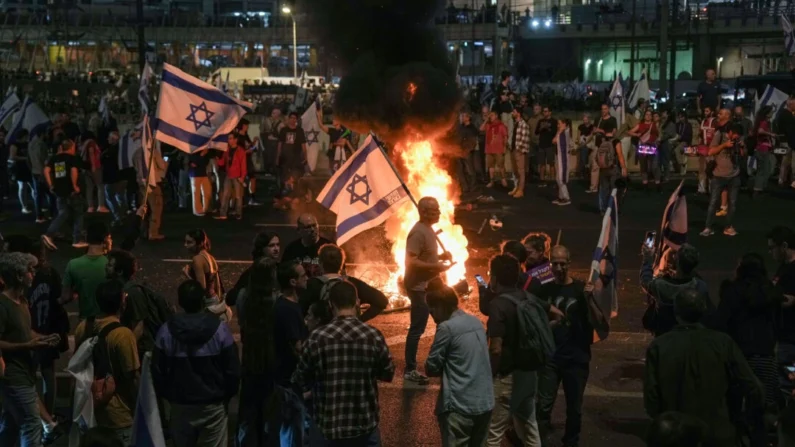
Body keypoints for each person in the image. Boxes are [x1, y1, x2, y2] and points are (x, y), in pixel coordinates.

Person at [643, 288, 763, 447]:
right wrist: (746, 419)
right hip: (718, 433)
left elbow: (651, 398)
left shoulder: (659, 346)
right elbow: (753, 386)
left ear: (676, 311)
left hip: (676, 436)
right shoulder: (723, 342)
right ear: (704, 310)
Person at [291, 280, 395, 445]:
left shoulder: (317, 337)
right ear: (357, 303)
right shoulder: (373, 335)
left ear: (331, 305)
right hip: (364, 426)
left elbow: (300, 377)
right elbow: (388, 373)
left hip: (327, 428)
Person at [532, 246, 605, 447]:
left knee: (574, 408)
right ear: (549, 263)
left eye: (562, 263)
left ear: (569, 263)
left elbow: (599, 322)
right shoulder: (544, 290)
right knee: (543, 407)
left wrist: (590, 299)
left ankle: (571, 442)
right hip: (551, 359)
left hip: (576, 359)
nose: (558, 267)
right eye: (554, 263)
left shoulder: (581, 290)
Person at [152, 279, 240, 447]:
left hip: (180, 405)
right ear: (202, 300)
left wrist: (169, 396)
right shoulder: (219, 329)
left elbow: (158, 371)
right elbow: (232, 370)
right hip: (212, 405)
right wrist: (225, 397)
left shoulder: (166, 331)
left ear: (180, 302)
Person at [714, 253, 781, 447]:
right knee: (759, 411)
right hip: (765, 356)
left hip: (738, 356)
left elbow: (721, 323)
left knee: (733, 407)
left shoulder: (732, 291)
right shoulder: (770, 292)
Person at [484, 254, 544, 447]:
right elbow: (557, 314)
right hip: (529, 374)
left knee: (493, 432)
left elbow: (495, 349)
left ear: (494, 278)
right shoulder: (527, 297)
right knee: (529, 427)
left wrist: (489, 375)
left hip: (506, 378)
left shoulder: (497, 305)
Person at [0, 252, 59, 447]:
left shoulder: (23, 302)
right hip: (13, 376)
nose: (33, 274)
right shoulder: (3, 305)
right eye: (29, 271)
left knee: (11, 424)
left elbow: (26, 332)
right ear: (18, 276)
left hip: (25, 373)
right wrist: (27, 346)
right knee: (31, 424)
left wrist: (43, 338)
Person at [73, 279, 141, 445]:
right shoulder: (123, 335)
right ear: (121, 304)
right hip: (120, 416)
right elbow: (133, 377)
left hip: (90, 411)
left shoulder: (84, 327)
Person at [425, 285, 494, 447]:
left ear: (441, 306)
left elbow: (431, 367)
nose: (431, 315)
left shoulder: (447, 328)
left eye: (432, 310)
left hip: (460, 406)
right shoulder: (475, 322)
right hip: (485, 403)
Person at [403, 197, 453, 384]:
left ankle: (442, 360)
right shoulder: (418, 233)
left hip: (431, 284)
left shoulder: (428, 229)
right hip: (418, 288)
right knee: (417, 328)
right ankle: (410, 369)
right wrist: (437, 266)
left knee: (444, 320)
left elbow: (426, 255)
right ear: (423, 211)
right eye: (434, 210)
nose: (438, 212)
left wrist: (440, 256)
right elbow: (411, 261)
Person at [237, 259, 278, 447]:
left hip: (251, 355)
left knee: (249, 407)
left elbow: (241, 322)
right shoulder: (277, 300)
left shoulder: (244, 296)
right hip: (271, 357)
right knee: (271, 409)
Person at [107, 249, 171, 359]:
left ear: (120, 271)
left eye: (110, 265)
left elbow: (139, 327)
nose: (106, 267)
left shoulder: (133, 292)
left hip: (143, 350)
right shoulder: (123, 289)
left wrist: (127, 349)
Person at [300, 243, 388, 323]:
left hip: (322, 335)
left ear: (320, 263)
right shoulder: (352, 283)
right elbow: (382, 301)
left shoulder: (311, 284)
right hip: (350, 334)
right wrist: (360, 320)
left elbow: (299, 311)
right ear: (342, 263)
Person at [640, 243, 710, 337]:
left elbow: (645, 280)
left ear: (676, 261)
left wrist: (647, 259)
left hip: (664, 332)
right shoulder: (700, 286)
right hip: (689, 334)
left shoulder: (660, 285)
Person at [58, 222, 111, 319]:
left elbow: (65, 297)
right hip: (108, 321)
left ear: (87, 238)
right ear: (105, 239)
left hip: (86, 321)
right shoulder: (111, 264)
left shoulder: (73, 264)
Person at [699, 123, 744, 237]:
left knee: (732, 204)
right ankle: (708, 227)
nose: (737, 138)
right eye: (735, 135)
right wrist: (724, 145)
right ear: (730, 133)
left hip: (734, 176)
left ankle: (728, 227)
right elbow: (710, 152)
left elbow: (743, 155)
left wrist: (742, 147)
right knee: (713, 202)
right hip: (718, 176)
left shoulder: (739, 140)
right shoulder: (720, 136)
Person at [42, 138, 87, 249]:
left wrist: (51, 184)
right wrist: (75, 185)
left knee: (63, 213)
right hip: (71, 191)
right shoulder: (73, 158)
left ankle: (49, 234)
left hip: (59, 190)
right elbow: (73, 171)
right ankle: (77, 239)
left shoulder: (54, 158)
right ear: (72, 147)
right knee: (78, 214)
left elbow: (46, 170)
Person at [768, 226, 795, 400]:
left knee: (786, 384)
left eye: (772, 248)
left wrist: (768, 295)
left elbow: (790, 300)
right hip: (785, 337)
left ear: (784, 246)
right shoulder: (784, 268)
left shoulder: (793, 270)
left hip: (790, 339)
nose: (770, 252)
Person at [273, 260, 309, 386]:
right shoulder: (287, 309)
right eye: (303, 276)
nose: (307, 278)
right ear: (293, 282)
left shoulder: (292, 305)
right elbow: (297, 347)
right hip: (288, 378)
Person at [226, 231, 280, 307]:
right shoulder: (252, 272)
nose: (276, 249)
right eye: (271, 245)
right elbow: (230, 299)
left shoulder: (281, 269)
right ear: (262, 248)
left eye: (278, 245)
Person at [281, 213, 332, 279]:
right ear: (299, 230)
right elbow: (283, 274)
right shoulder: (291, 249)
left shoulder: (329, 247)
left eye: (314, 225)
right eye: (308, 227)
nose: (312, 230)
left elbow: (340, 274)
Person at [182, 229, 223, 305]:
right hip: (214, 299)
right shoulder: (211, 257)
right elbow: (217, 284)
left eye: (189, 242)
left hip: (207, 302)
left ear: (200, 243)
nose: (185, 245)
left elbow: (201, 288)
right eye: (185, 242)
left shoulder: (197, 259)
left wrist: (187, 274)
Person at [215, 132, 248, 220]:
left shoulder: (240, 151)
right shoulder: (227, 150)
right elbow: (223, 162)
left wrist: (242, 177)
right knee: (226, 194)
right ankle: (223, 213)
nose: (229, 140)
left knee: (238, 196)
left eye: (230, 138)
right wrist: (218, 160)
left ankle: (238, 213)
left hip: (237, 176)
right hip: (229, 175)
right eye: (228, 138)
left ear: (235, 140)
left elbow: (243, 165)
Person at [276, 111, 308, 201]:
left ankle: (295, 197)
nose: (293, 120)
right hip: (285, 158)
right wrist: (277, 157)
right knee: (284, 177)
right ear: (289, 119)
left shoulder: (299, 130)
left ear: (296, 120)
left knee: (295, 177)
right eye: (291, 118)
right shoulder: (283, 130)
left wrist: (305, 156)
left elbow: (303, 145)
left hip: (296, 158)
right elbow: (280, 145)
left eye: (295, 118)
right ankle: (283, 197)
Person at [628, 109, 661, 191]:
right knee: (644, 167)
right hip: (643, 147)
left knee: (654, 167)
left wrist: (658, 140)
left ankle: (658, 184)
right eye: (647, 114)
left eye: (650, 114)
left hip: (653, 146)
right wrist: (637, 134)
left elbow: (660, 134)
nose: (648, 116)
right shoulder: (640, 125)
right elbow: (630, 132)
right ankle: (645, 185)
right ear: (644, 116)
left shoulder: (655, 124)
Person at [589, 104, 618, 193]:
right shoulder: (598, 119)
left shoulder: (612, 119)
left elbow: (614, 132)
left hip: (607, 146)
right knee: (595, 165)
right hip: (598, 145)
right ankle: (593, 187)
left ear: (608, 109)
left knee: (607, 165)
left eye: (605, 109)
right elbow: (594, 130)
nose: (603, 111)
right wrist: (596, 130)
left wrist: (602, 131)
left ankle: (608, 186)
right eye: (602, 109)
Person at [8, 129, 34, 215]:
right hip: (20, 167)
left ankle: (36, 204)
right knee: (23, 186)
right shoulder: (15, 145)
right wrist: (25, 158)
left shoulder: (27, 143)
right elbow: (12, 157)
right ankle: (24, 206)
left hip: (28, 167)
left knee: (33, 187)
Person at [752, 105, 776, 196]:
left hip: (761, 149)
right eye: (771, 112)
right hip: (763, 149)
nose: (772, 113)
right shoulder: (764, 122)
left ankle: (759, 188)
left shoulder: (761, 121)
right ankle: (758, 189)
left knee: (763, 169)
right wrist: (771, 134)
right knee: (763, 169)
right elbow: (760, 131)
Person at [481, 111, 508, 188]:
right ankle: (491, 181)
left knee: (501, 166)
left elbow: (505, 136)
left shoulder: (501, 125)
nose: (490, 116)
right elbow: (481, 128)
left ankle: (503, 179)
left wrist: (504, 148)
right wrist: (486, 120)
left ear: (496, 116)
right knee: (490, 166)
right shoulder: (488, 125)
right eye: (490, 115)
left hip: (499, 149)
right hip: (489, 149)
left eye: (492, 115)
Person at [457, 111, 480, 193]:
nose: (462, 118)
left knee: (470, 170)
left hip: (466, 152)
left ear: (468, 118)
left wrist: (467, 150)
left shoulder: (472, 128)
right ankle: (465, 187)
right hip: (459, 151)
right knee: (460, 170)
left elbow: (473, 141)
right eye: (462, 116)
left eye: (464, 116)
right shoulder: (461, 127)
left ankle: (473, 187)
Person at [510, 106, 530, 198]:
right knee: (516, 171)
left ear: (518, 113)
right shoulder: (516, 123)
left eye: (514, 111)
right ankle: (517, 188)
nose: (512, 113)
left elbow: (525, 138)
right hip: (514, 149)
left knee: (521, 171)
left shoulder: (523, 124)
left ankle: (521, 190)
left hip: (519, 150)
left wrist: (519, 149)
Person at [551, 118, 573, 206]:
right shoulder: (561, 133)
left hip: (563, 159)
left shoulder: (566, 133)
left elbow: (555, 140)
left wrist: (559, 131)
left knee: (561, 178)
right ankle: (561, 197)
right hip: (559, 157)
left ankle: (566, 197)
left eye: (559, 124)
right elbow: (553, 141)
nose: (558, 125)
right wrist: (559, 131)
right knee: (558, 178)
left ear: (564, 124)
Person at [535, 106, 556, 185]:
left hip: (550, 145)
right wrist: (541, 128)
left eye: (546, 111)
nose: (545, 113)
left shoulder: (554, 121)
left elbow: (555, 132)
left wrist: (548, 128)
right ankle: (542, 180)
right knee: (542, 163)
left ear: (550, 112)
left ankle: (552, 180)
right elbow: (536, 132)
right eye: (544, 111)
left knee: (551, 163)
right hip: (541, 144)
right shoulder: (540, 121)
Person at [188, 149, 212, 216]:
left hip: (203, 173)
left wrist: (202, 156)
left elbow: (206, 162)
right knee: (196, 193)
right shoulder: (193, 151)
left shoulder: (205, 151)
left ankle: (205, 209)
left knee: (207, 191)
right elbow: (193, 163)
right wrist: (201, 156)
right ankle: (197, 210)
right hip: (195, 174)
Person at [576, 113, 594, 181]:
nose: (585, 121)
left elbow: (592, 136)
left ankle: (584, 172)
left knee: (584, 156)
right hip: (582, 142)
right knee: (582, 157)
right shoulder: (580, 126)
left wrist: (585, 143)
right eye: (584, 120)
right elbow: (578, 135)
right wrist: (580, 141)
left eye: (586, 120)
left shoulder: (592, 126)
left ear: (589, 119)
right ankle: (583, 172)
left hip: (589, 143)